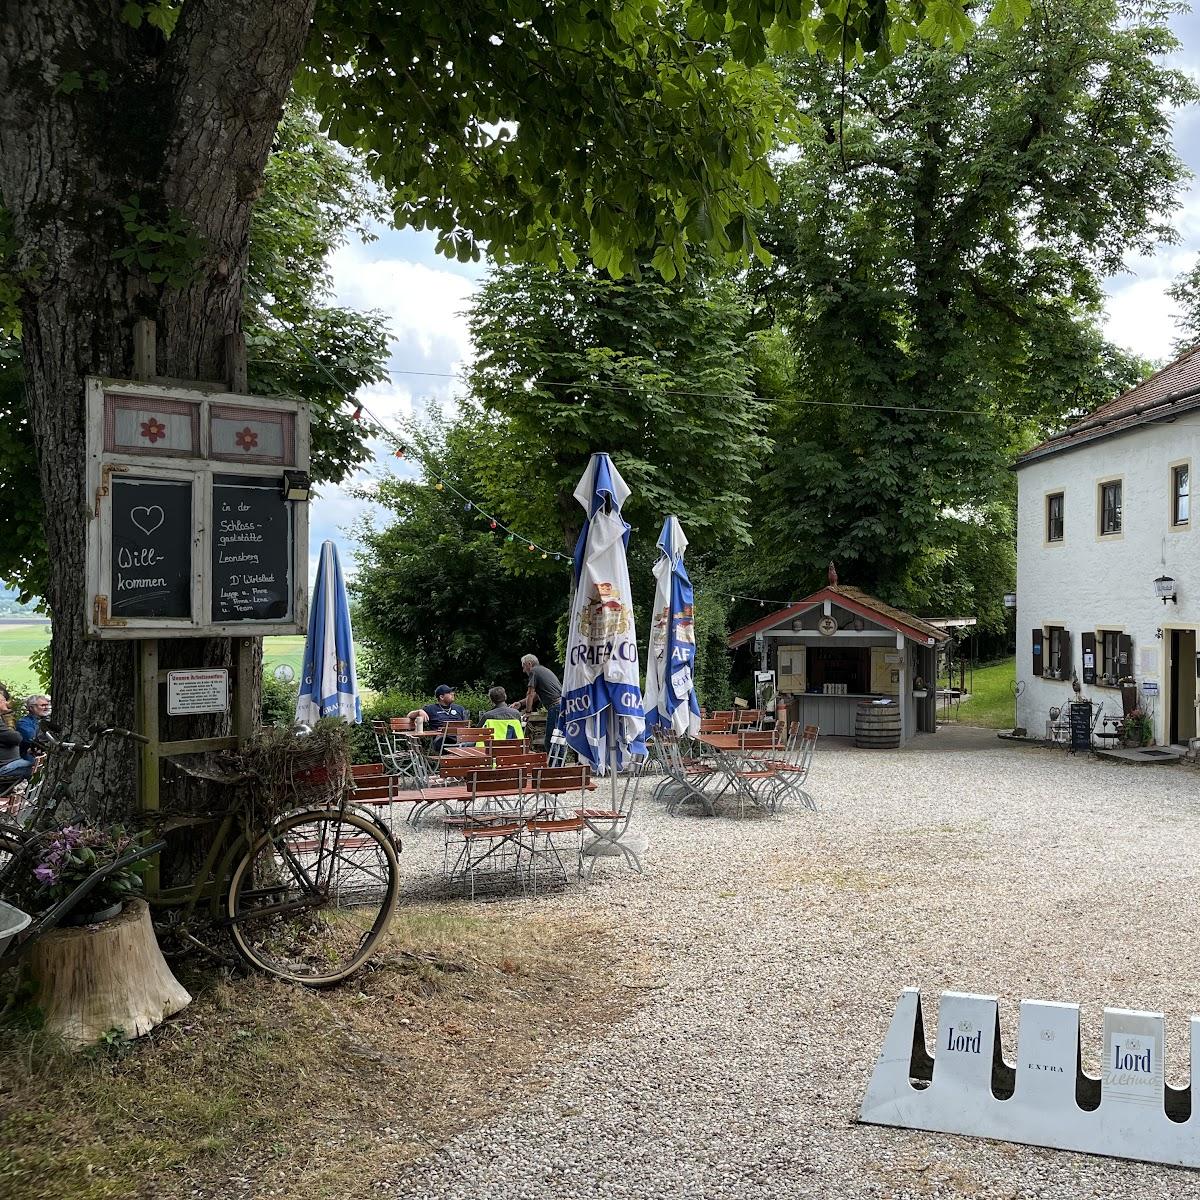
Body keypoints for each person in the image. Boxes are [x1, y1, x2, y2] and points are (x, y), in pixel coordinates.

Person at [515, 654, 562, 753]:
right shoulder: (544, 670)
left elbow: (530, 693)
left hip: (555, 707)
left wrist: (528, 712)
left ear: (529, 664)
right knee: (558, 739)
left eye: (523, 666)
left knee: (549, 741)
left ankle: (555, 767)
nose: (523, 670)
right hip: (562, 706)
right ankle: (559, 766)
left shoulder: (533, 671)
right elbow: (536, 694)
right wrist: (520, 703)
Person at [0, 686, 33, 785]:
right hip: (4, 767)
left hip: (11, 763)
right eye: (3, 700)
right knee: (33, 765)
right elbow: (16, 738)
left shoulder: (2, 718)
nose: (7, 703)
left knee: (37, 763)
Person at [17, 694, 50, 762]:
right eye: (42, 705)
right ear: (31, 708)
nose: (46, 707)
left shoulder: (50, 720)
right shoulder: (24, 723)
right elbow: (33, 739)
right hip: (28, 761)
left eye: (47, 705)